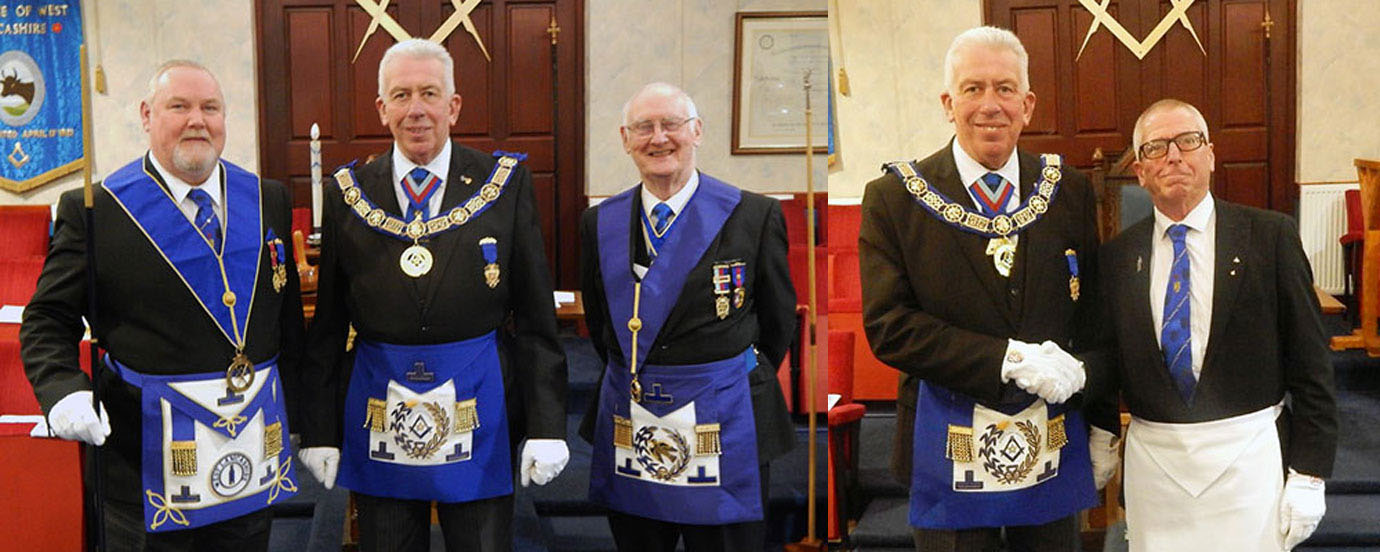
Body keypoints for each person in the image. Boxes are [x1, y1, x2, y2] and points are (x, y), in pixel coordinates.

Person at [294, 38, 568, 551]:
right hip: (379, 398)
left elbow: (535, 319)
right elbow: (328, 325)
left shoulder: (503, 184)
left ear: (453, 105)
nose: (416, 109)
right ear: (382, 109)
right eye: (401, 95)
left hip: (481, 400)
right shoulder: (347, 191)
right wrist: (320, 429)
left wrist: (548, 422)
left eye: (429, 93)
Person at [21, 60, 304, 550]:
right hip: (144, 466)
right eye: (180, 106)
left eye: (210, 107)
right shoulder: (98, 209)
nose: (197, 120)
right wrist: (64, 390)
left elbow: (289, 323)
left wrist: (312, 423)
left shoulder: (266, 198)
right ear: (147, 115)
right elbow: (47, 320)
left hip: (251, 455)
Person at [858, 26, 1118, 551]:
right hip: (945, 440)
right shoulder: (895, 198)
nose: (990, 105)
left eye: (1005, 89)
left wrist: (1102, 421)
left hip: (1053, 439)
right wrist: (1005, 360)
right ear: (948, 104)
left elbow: (1093, 315)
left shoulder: (1066, 190)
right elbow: (891, 329)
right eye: (973, 89)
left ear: (1028, 104)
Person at [1092, 99, 1337, 550]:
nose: (1173, 155)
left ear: (1210, 155)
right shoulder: (1117, 258)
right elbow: (1107, 359)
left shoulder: (1270, 237)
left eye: (1188, 141)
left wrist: (1310, 471)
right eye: (1155, 147)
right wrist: (1102, 431)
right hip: (1156, 469)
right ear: (1141, 171)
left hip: (1248, 461)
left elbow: (1312, 363)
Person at [577, 82, 797, 552]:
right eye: (644, 128)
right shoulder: (600, 223)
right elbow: (602, 327)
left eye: (671, 124)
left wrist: (720, 377)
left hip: (723, 420)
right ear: (625, 138)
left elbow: (778, 323)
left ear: (696, 131)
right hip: (633, 416)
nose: (659, 138)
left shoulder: (752, 215)